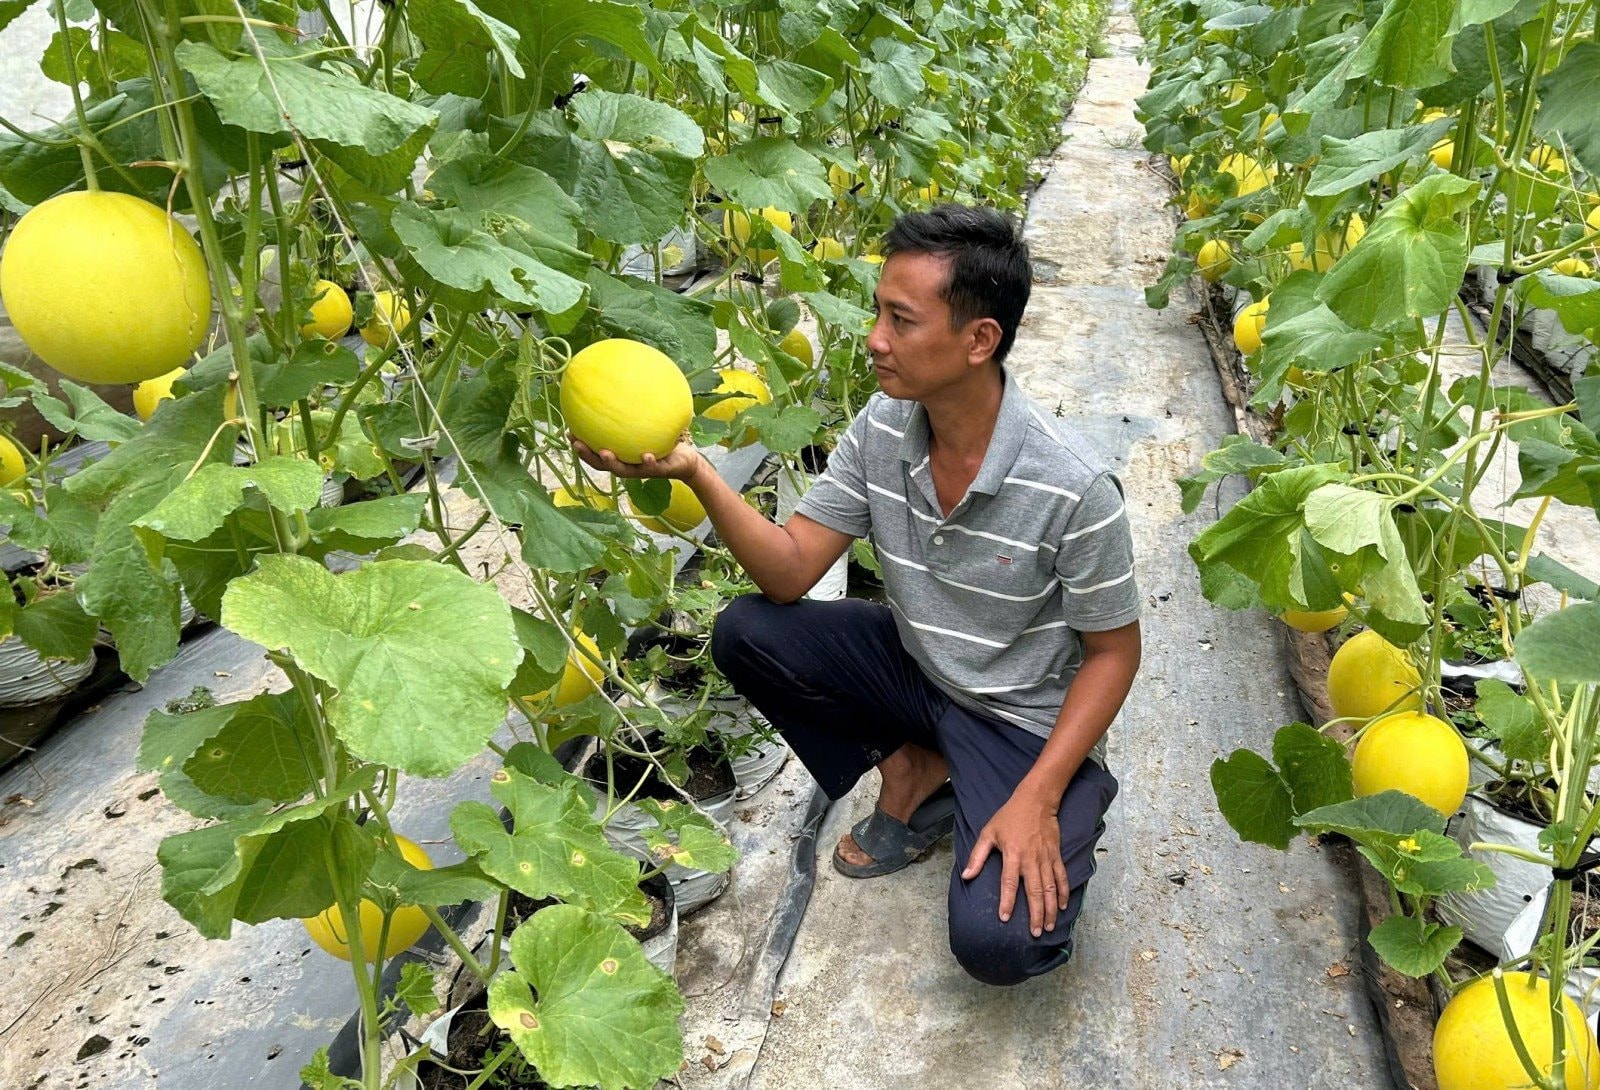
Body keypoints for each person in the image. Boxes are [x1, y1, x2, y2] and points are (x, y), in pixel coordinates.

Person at [572, 203, 1141, 986]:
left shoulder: (1073, 485)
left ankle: (1045, 798)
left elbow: (1114, 655)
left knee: (1000, 946)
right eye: (878, 310)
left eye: (901, 320)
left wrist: (1039, 797)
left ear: (980, 340)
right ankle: (916, 768)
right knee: (746, 630)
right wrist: (696, 472)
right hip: (920, 673)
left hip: (1023, 725)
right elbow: (791, 569)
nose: (874, 338)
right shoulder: (883, 425)